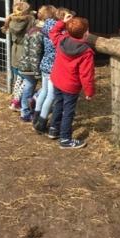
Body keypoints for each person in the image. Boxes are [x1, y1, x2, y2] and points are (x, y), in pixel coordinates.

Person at [47, 14, 95, 149]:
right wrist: (89, 91)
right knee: (68, 111)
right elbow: (86, 74)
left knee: (58, 104)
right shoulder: (86, 52)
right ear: (86, 34)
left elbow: (53, 32)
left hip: (57, 80)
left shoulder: (62, 39)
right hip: (70, 85)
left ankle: (53, 129)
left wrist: (63, 22)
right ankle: (65, 139)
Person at [1, 2, 35, 111]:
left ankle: (14, 100)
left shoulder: (10, 21)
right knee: (27, 80)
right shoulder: (30, 20)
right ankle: (18, 102)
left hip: (15, 51)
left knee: (19, 78)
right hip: (25, 51)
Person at [17, 14, 44, 122]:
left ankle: (25, 110)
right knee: (29, 86)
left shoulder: (33, 29)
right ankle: (26, 110)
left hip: (26, 65)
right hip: (30, 67)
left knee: (28, 86)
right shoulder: (37, 33)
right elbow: (34, 54)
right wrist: (36, 71)